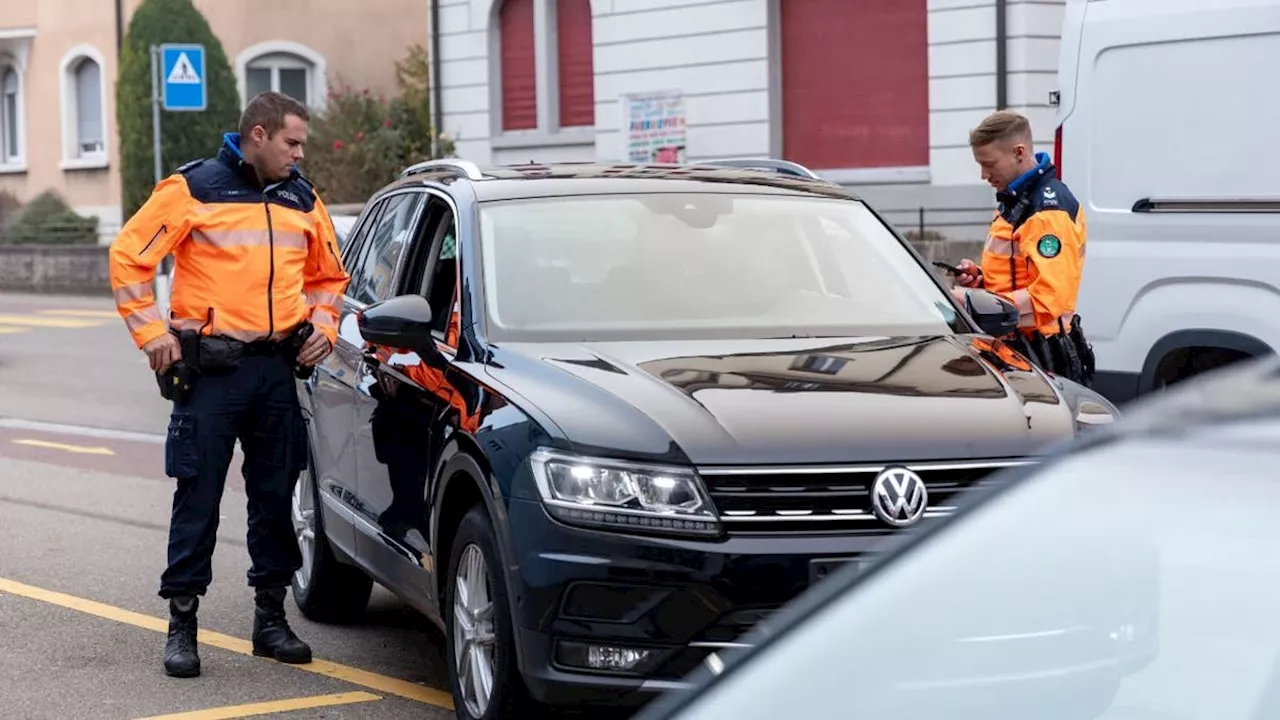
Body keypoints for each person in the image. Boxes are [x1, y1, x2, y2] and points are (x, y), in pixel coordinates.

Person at [107, 91, 350, 678]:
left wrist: (324, 323)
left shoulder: (301, 197)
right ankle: (183, 624)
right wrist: (151, 336)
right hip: (211, 374)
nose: (299, 153)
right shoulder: (194, 187)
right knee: (199, 497)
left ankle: (270, 620)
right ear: (259, 135)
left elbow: (329, 275)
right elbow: (128, 257)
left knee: (275, 498)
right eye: (292, 142)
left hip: (276, 370)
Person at [950, 110, 1095, 386]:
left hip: (1043, 356)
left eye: (989, 164)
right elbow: (1018, 272)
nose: (983, 174)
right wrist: (980, 279)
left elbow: (1048, 298)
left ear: (1019, 152)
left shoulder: (1045, 208)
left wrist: (971, 303)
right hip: (1019, 351)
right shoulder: (1019, 200)